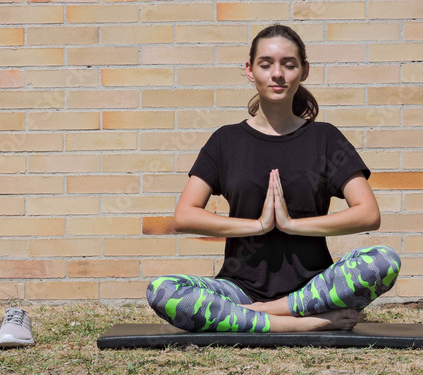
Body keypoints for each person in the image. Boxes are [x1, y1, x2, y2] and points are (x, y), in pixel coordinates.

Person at [146, 24, 401, 333]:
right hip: (239, 290)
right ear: (250, 70)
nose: (277, 73)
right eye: (265, 64)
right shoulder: (225, 141)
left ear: (304, 70)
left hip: (313, 290)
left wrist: (292, 225)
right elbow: (185, 216)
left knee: (384, 260)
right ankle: (299, 325)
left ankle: (267, 313)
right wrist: (259, 226)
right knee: (162, 289)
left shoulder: (325, 138)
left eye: (288, 64)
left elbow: (368, 213)